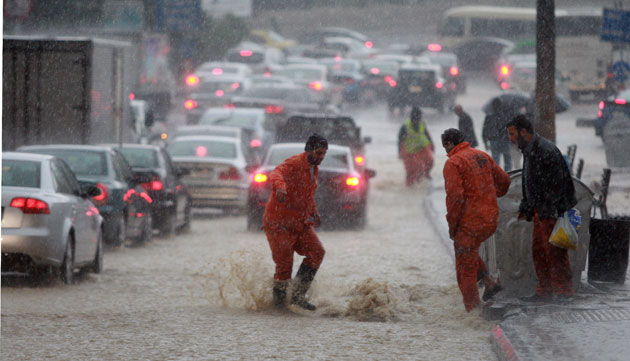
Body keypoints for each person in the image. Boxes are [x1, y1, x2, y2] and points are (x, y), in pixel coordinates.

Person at [506, 115, 577, 302]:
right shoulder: (530, 150)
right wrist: (527, 206)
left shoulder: (544, 150)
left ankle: (563, 292)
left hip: (550, 211)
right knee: (539, 251)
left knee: (555, 252)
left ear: (523, 132)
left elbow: (556, 184)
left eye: (512, 134)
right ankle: (545, 290)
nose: (510, 138)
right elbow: (531, 183)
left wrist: (550, 211)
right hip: (541, 210)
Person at [441, 128, 511, 312]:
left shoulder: (453, 163)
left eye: (445, 147)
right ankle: (490, 283)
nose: (445, 152)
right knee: (469, 251)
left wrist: (452, 226)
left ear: (449, 144)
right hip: (490, 219)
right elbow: (505, 181)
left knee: (464, 266)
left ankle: (473, 310)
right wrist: (489, 197)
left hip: (469, 222)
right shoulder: (482, 155)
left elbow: (455, 197)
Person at [263, 133, 328, 311]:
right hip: (279, 223)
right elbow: (276, 173)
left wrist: (313, 210)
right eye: (318, 153)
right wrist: (280, 188)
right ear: (308, 150)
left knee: (317, 253)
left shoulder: (313, 167)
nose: (321, 157)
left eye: (323, 154)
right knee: (284, 266)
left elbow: (305, 193)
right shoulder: (295, 163)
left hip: (299, 222)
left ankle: (298, 296)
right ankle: (279, 306)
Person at [398, 107, 434, 186]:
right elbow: (400, 140)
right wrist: (399, 152)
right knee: (412, 170)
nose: (418, 120)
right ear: (412, 118)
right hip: (409, 151)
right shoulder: (405, 126)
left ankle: (426, 174)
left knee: (430, 161)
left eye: (419, 118)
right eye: (416, 118)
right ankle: (410, 185)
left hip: (422, 148)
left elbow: (426, 133)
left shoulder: (422, 123)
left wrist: (432, 143)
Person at [482, 98, 512, 171]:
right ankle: (508, 175)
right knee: (507, 160)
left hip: (494, 140)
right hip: (505, 140)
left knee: (495, 161)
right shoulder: (506, 116)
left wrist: (485, 142)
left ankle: (497, 176)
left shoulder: (489, 117)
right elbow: (510, 129)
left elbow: (485, 130)